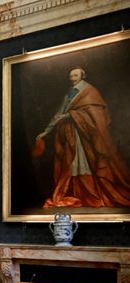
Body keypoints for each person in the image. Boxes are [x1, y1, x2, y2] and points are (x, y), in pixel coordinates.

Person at [35, 67, 130, 208]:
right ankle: (78, 195)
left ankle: (93, 196)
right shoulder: (69, 93)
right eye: (70, 75)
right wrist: (46, 131)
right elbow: (59, 113)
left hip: (86, 135)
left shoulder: (90, 91)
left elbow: (96, 113)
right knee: (71, 164)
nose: (72, 78)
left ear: (82, 76)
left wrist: (69, 115)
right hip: (71, 134)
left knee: (88, 161)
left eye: (75, 75)